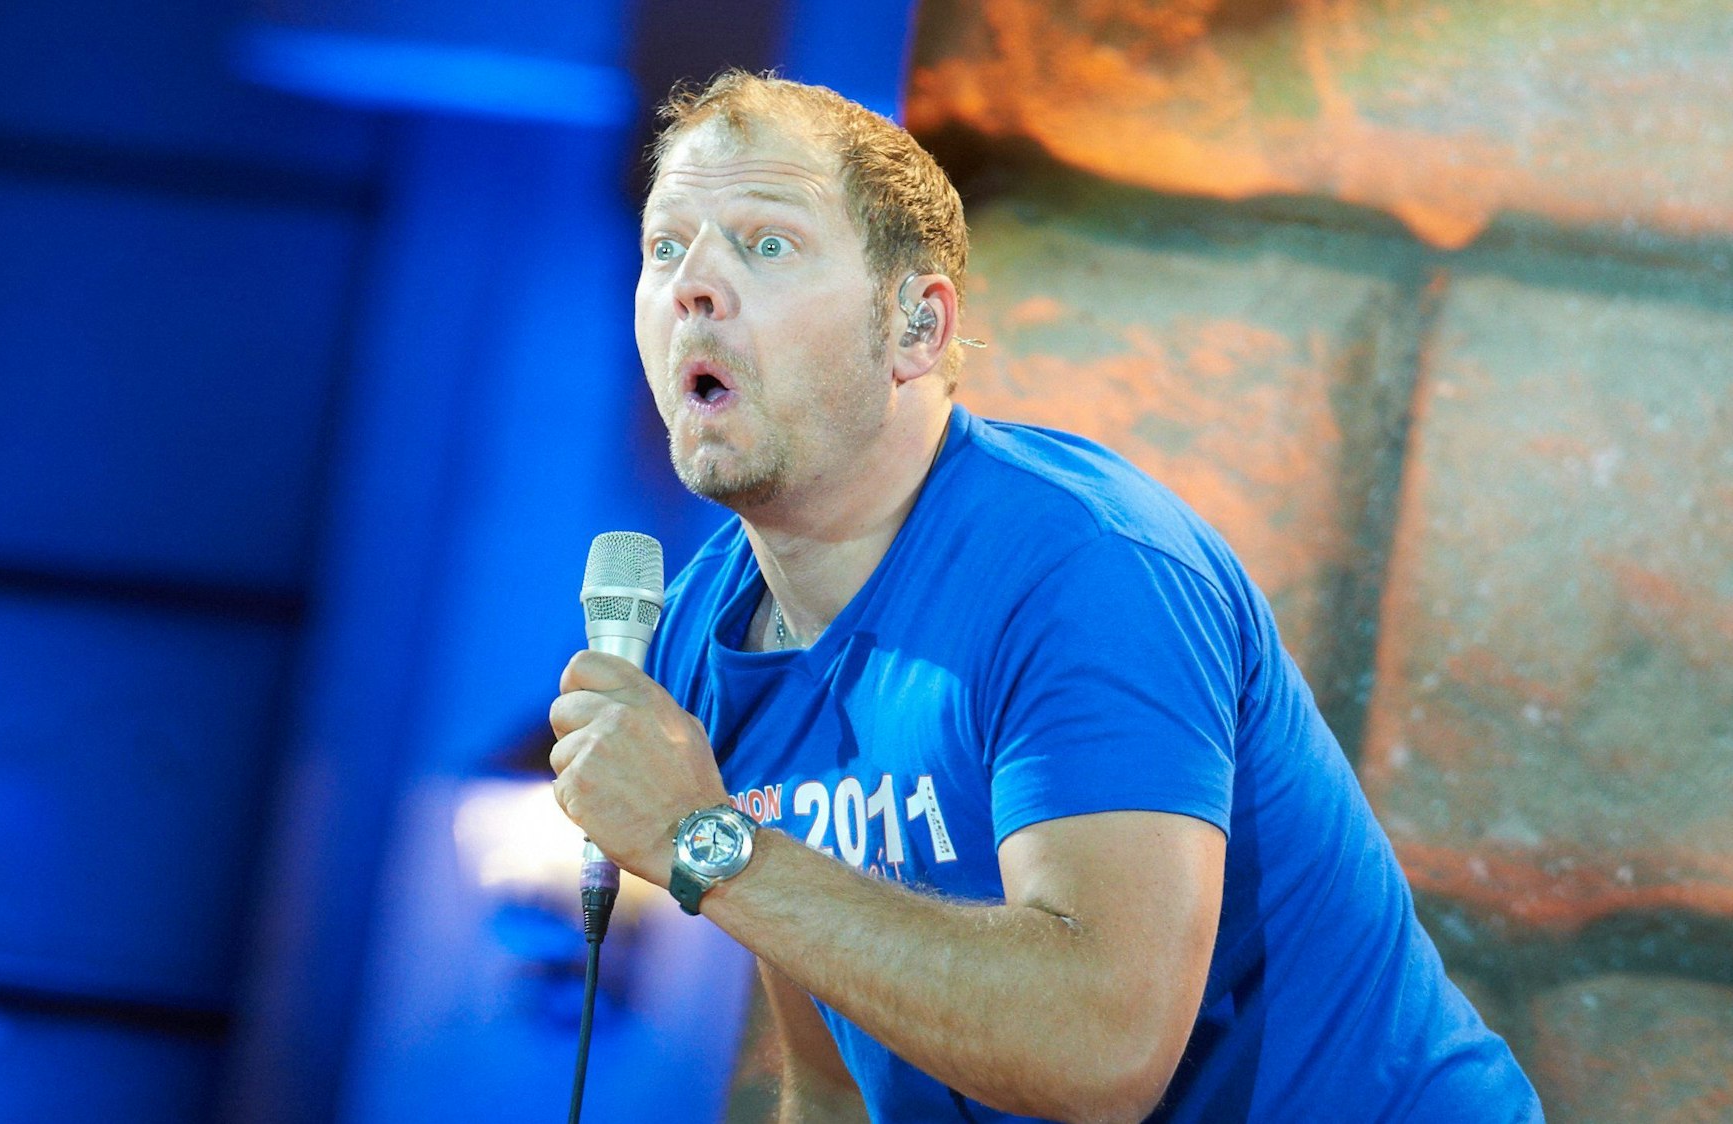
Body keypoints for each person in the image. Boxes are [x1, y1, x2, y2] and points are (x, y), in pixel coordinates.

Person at [546, 70, 1542, 1123]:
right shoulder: (704, 633)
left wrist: (705, 839)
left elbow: (1101, 1048)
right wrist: (729, 853)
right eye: (667, 247)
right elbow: (835, 1079)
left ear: (915, 329)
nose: (694, 283)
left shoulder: (1087, 567)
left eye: (767, 244)